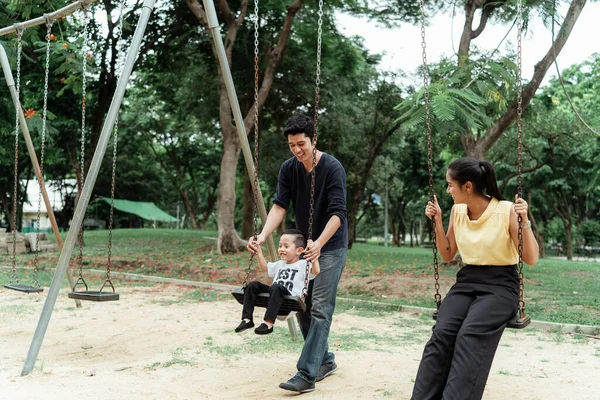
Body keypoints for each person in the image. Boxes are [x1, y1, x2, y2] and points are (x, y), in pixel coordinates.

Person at [411, 157, 539, 400]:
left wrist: (525, 222)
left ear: (467, 187)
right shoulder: (457, 211)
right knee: (442, 333)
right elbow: (448, 254)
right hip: (467, 282)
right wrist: (437, 221)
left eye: (450, 185)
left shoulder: (507, 210)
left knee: (469, 335)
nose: (447, 190)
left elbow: (531, 259)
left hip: (501, 286)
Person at [247, 114, 348, 393]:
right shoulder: (289, 169)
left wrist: (319, 243)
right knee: (301, 304)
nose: (297, 149)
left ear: (313, 139)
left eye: (301, 143)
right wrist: (263, 236)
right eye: (292, 145)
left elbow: (338, 213)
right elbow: (279, 205)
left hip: (331, 246)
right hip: (305, 248)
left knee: (320, 308)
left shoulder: (332, 168)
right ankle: (324, 360)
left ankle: (306, 373)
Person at [235, 229, 319, 335]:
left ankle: (268, 323)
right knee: (253, 285)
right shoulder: (280, 263)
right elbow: (265, 268)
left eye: (286, 246)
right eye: (280, 246)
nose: (281, 249)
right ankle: (247, 319)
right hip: (275, 298)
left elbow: (316, 271)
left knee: (276, 287)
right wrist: (258, 251)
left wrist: (313, 255)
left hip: (289, 302)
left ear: (299, 251)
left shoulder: (303, 264)